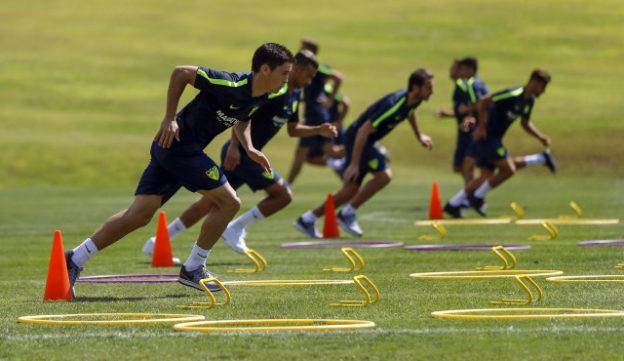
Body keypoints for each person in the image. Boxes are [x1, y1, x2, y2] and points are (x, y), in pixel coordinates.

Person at [65, 43, 294, 294]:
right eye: (284, 72)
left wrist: (249, 147)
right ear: (265, 69)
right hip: (180, 149)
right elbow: (181, 73)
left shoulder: (260, 95)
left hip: (171, 149)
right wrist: (170, 118)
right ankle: (194, 268)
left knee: (139, 215)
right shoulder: (231, 84)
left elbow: (243, 118)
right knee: (230, 202)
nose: (287, 78)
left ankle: (74, 259)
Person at [141, 50, 337, 257]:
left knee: (211, 202)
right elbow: (243, 112)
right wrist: (235, 147)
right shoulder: (274, 91)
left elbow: (293, 129)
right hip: (242, 155)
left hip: (250, 154)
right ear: (296, 68)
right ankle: (233, 230)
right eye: (308, 74)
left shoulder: (295, 95)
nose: (311, 80)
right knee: (281, 195)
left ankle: (158, 241)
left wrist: (318, 130)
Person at [294, 68, 435, 238]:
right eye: (428, 87)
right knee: (384, 176)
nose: (432, 91)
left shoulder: (413, 100)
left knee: (351, 190)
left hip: (364, 140)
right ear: (415, 87)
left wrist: (419, 135)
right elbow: (363, 130)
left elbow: (410, 113)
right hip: (359, 139)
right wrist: (354, 164)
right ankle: (347, 213)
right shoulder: (394, 105)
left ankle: (307, 219)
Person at [444, 69, 554, 218]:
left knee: (486, 176)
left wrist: (540, 137)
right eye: (543, 86)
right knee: (509, 169)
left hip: (494, 139)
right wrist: (482, 126)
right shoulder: (513, 94)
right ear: (535, 82)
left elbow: (525, 122)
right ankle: (477, 197)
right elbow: (484, 101)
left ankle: (453, 204)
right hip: (488, 137)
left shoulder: (529, 101)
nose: (544, 91)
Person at [286, 38, 345, 186]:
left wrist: (330, 99)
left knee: (302, 152)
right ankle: (346, 161)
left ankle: (288, 184)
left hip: (316, 113)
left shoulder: (317, 67)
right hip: (314, 113)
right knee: (328, 150)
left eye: (303, 47)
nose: (299, 49)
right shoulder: (304, 69)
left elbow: (338, 77)